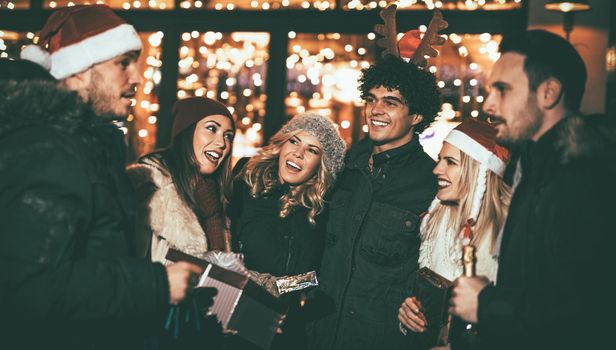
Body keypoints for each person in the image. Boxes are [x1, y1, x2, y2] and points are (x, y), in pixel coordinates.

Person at [1, 5, 201, 349]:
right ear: (77, 71)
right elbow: (28, 287)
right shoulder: (51, 151)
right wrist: (156, 285)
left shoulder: (82, 146)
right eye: (123, 62)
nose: (137, 78)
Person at [449, 30, 613, 349]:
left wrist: (486, 305)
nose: (489, 103)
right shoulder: (533, 165)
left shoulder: (583, 177)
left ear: (548, 93)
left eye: (502, 89)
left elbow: (588, 313)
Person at [309, 55, 440, 349]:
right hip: (316, 332)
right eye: (372, 99)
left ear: (416, 116)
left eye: (390, 102)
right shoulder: (340, 167)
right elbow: (313, 253)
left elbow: (439, 269)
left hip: (376, 338)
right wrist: (281, 290)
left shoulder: (430, 183)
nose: (375, 110)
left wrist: (422, 308)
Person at [229, 112, 346, 349]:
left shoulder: (322, 209)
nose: (298, 153)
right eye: (294, 141)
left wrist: (281, 288)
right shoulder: (246, 178)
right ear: (282, 143)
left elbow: (315, 277)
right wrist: (252, 287)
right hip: (233, 314)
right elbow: (220, 245)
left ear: (322, 165)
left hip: (284, 327)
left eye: (312, 150)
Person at [397, 119, 511, 346]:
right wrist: (406, 312)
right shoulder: (434, 221)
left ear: (479, 171)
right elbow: (424, 297)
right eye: (440, 160)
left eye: (450, 162)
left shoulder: (508, 234)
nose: (436, 169)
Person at [127, 97, 235, 262]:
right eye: (212, 128)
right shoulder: (149, 185)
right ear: (187, 131)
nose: (222, 143)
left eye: (228, 136)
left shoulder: (217, 200)